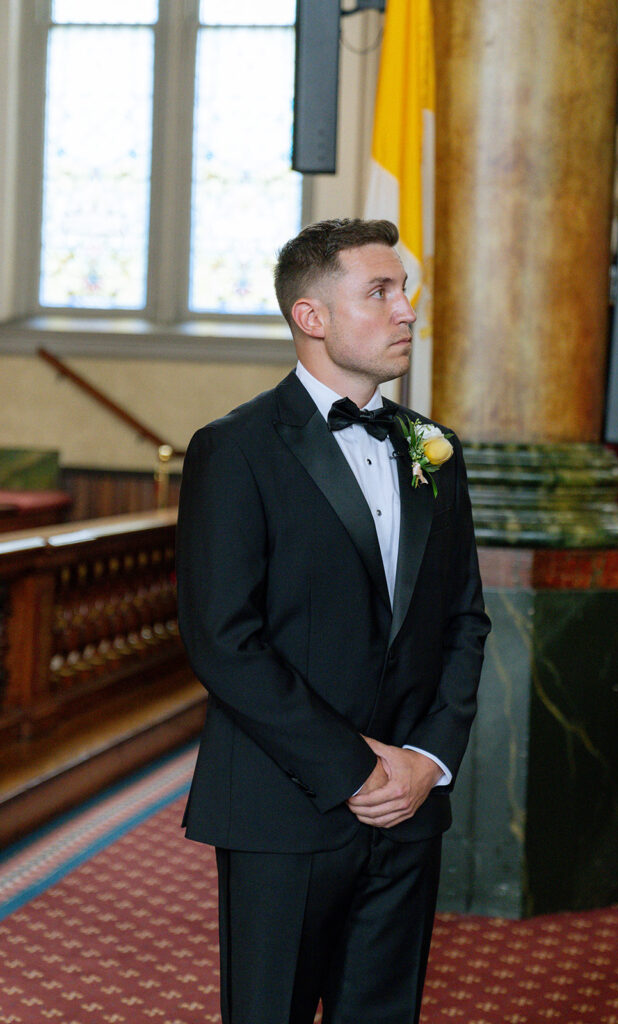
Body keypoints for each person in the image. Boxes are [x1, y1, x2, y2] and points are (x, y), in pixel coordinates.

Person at [175, 218, 490, 1024]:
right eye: (379, 292)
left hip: (410, 803)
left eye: (405, 291)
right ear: (310, 317)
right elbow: (224, 637)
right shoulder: (235, 448)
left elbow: (463, 620)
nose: (405, 311)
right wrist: (353, 768)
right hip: (286, 801)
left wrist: (425, 759)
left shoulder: (431, 448)